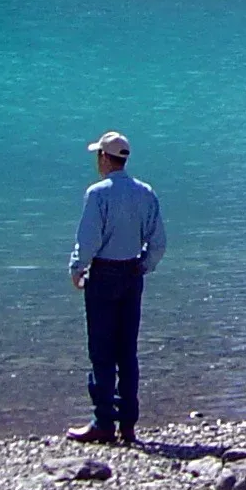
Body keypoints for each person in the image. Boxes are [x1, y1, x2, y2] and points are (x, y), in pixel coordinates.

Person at [67, 130, 164, 446]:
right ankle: (129, 424)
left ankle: (103, 421)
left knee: (102, 350)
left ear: (104, 158)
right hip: (131, 274)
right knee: (127, 350)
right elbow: (159, 241)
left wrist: (77, 268)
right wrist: (143, 265)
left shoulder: (98, 194)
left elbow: (89, 239)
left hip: (105, 273)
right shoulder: (146, 193)